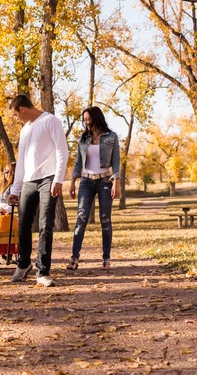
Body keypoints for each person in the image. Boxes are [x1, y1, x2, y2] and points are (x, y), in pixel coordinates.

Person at [8, 94, 68, 287]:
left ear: (22, 109)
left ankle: (42, 271)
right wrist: (15, 189)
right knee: (23, 224)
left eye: (16, 115)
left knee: (45, 225)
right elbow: (22, 160)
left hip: (49, 179)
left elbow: (62, 150)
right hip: (28, 181)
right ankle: (23, 264)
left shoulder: (51, 121)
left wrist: (58, 179)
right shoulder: (25, 130)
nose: (17, 119)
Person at [67, 106, 120, 271]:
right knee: (81, 219)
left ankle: (106, 259)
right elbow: (78, 162)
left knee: (105, 220)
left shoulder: (111, 136)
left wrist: (116, 182)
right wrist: (72, 182)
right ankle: (74, 258)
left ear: (96, 118)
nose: (86, 122)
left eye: (88, 118)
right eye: (84, 119)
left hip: (104, 181)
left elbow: (116, 161)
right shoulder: (83, 138)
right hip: (86, 182)